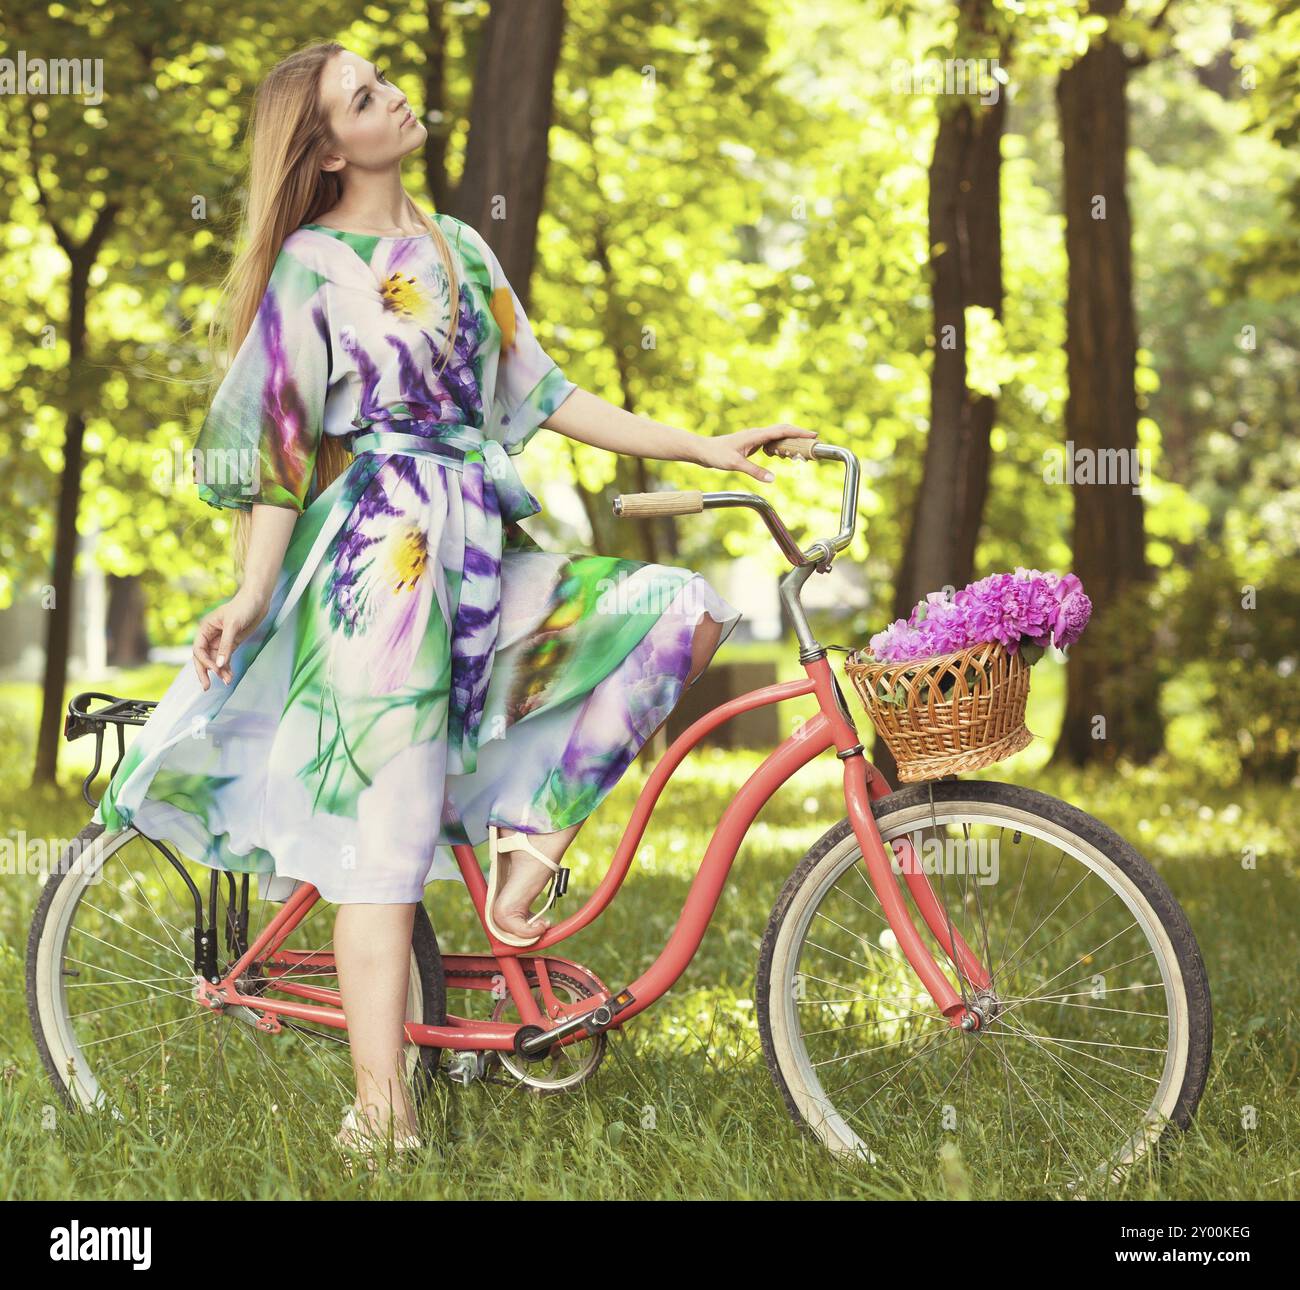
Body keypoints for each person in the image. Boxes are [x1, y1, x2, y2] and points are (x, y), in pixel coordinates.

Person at [92, 40, 816, 1162]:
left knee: (678, 606)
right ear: (328, 150)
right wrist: (247, 592)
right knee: (381, 850)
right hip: (380, 568)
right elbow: (280, 452)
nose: (392, 99)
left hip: (481, 547)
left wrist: (712, 448)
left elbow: (555, 397)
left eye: (384, 81)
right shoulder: (310, 269)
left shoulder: (461, 249)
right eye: (363, 99)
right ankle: (381, 1115)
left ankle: (529, 849)